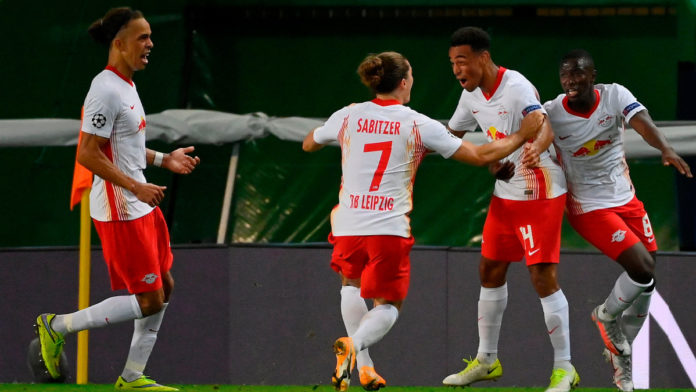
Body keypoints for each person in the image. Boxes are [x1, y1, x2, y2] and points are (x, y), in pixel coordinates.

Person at [303, 51, 542, 391]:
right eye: (411, 74)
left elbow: (309, 143)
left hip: (347, 223)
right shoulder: (417, 123)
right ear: (403, 82)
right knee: (389, 306)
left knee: (350, 285)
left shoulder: (349, 114)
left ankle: (364, 369)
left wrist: (333, 136)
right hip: (387, 227)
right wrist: (520, 136)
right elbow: (477, 156)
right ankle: (354, 346)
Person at [34, 7, 200, 391]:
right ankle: (56, 325)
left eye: (150, 36)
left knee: (165, 288)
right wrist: (135, 186)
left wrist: (164, 159)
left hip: (138, 200)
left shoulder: (126, 86)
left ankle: (131, 377)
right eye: (143, 37)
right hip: (120, 205)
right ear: (119, 43)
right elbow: (87, 153)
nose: (151, 44)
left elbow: (124, 146)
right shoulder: (104, 89)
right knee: (148, 300)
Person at [544, 49, 692, 392]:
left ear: (593, 75)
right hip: (588, 206)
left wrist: (665, 148)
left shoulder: (615, 95)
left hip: (626, 199)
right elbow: (531, 138)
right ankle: (606, 315)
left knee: (646, 282)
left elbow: (643, 123)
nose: (572, 81)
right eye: (566, 75)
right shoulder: (552, 114)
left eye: (579, 74)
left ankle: (621, 365)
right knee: (641, 268)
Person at [440, 27, 578, 392]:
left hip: (540, 189)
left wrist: (533, 148)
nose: (456, 70)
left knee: (541, 276)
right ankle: (487, 360)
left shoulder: (516, 87)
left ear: (483, 58)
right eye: (453, 63)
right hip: (505, 192)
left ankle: (565, 368)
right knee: (490, 269)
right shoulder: (469, 97)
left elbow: (542, 124)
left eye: (462, 61)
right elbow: (452, 137)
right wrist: (490, 163)